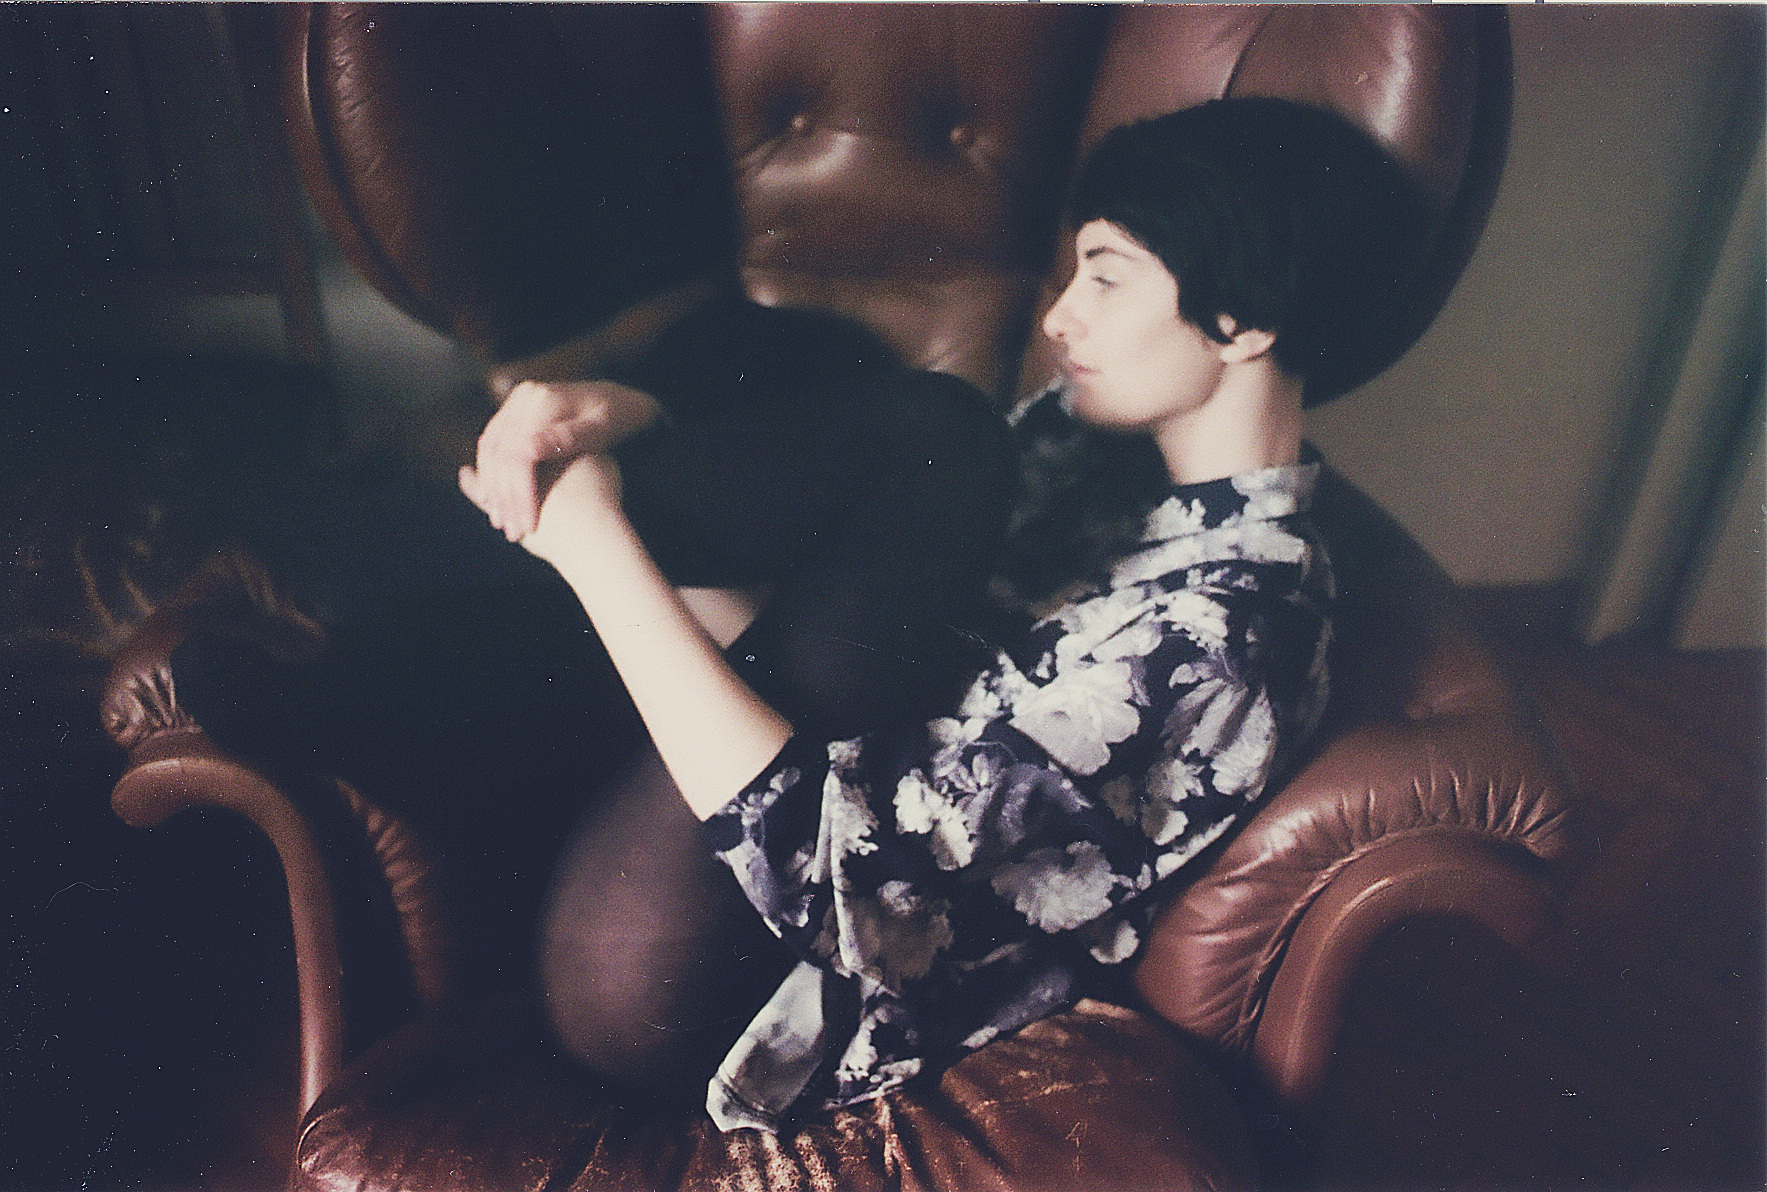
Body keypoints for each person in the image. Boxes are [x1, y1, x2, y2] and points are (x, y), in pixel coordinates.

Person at [459, 96, 1429, 1131]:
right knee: (794, 378)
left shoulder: (1236, 633)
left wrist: (597, 542)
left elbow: (845, 872)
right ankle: (509, 500)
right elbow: (845, 620)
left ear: (1243, 323)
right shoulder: (1084, 451)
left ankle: (515, 515)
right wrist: (635, 425)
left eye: (1105, 277)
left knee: (941, 436)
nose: (1060, 318)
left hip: (729, 974)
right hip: (717, 829)